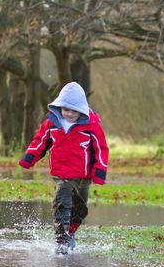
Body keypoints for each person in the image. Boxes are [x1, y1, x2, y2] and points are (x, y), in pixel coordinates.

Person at [18, 82, 109, 254]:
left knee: (79, 209)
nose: (68, 114)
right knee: (62, 203)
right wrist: (29, 158)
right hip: (61, 174)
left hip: (83, 176)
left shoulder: (91, 125)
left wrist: (100, 171)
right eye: (65, 109)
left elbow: (101, 149)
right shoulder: (52, 123)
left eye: (73, 111)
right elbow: (40, 142)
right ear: (59, 107)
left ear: (81, 109)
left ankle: (71, 233)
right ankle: (61, 239)